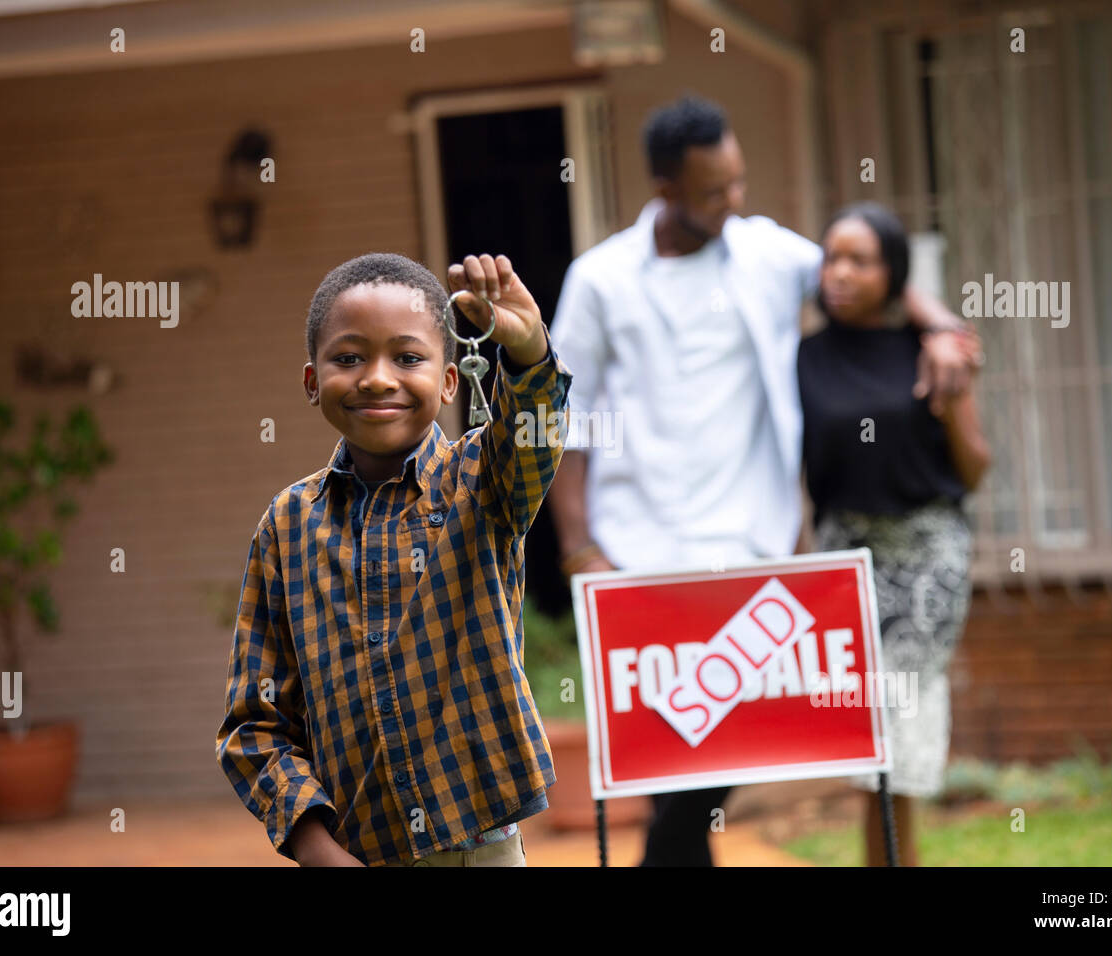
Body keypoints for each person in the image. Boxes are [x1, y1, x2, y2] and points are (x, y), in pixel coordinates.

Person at [547, 94, 981, 867]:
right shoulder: (601, 278)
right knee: (679, 757)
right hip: (637, 552)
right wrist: (579, 546)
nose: (735, 201)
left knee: (720, 750)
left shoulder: (764, 254)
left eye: (739, 182)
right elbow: (565, 418)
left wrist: (944, 328)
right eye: (715, 190)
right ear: (667, 188)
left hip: (751, 550)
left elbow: (876, 272)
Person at [216, 251, 572, 866]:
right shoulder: (287, 524)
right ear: (311, 381)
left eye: (408, 358)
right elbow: (254, 723)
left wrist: (530, 351)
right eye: (349, 358)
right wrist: (315, 847)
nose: (378, 378)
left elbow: (533, 434)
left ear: (450, 381)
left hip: (481, 853)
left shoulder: (483, 482)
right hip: (357, 854)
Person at [798, 202, 991, 866]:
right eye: (831, 258)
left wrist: (954, 364)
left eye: (860, 260)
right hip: (843, 556)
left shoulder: (931, 350)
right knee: (863, 737)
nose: (840, 273)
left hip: (925, 555)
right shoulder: (805, 356)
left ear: (895, 273)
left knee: (896, 733)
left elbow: (976, 464)